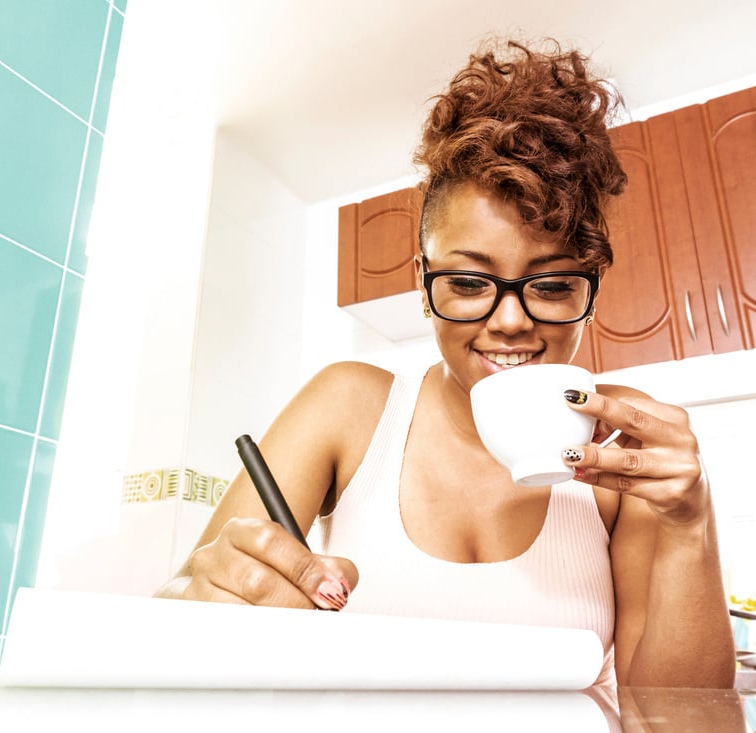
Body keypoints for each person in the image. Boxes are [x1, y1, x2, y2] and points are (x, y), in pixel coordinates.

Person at [155, 38, 737, 689]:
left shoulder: (626, 444)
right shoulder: (349, 405)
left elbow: (677, 715)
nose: (511, 320)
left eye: (550, 285)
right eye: (467, 283)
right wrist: (202, 593)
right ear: (422, 283)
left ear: (589, 289)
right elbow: (176, 603)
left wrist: (691, 522)